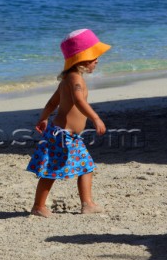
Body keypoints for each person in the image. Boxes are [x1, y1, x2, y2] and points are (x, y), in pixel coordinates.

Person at [27, 29, 111, 218]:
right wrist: (96, 118)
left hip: (63, 134)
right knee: (62, 169)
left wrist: (43, 117)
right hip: (64, 136)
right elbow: (79, 101)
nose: (97, 60)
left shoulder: (67, 79)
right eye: (94, 57)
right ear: (82, 58)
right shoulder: (75, 80)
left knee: (81, 166)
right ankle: (40, 206)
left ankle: (85, 203)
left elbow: (52, 103)